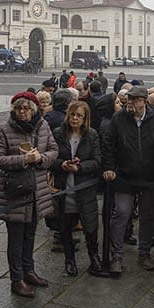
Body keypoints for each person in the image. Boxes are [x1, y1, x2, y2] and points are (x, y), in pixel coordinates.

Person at [0, 92, 58, 298]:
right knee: (16, 238)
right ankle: (16, 278)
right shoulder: (5, 129)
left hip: (37, 189)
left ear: (34, 110)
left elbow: (54, 150)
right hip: (15, 191)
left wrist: (41, 159)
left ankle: (29, 270)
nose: (22, 112)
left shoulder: (43, 126)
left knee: (30, 234)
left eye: (26, 108)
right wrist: (23, 160)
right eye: (19, 108)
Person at [103, 86, 154, 274]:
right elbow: (109, 144)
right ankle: (117, 255)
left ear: (144, 101)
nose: (130, 103)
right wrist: (109, 167)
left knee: (147, 216)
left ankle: (144, 253)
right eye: (129, 99)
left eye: (135, 99)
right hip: (125, 176)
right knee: (121, 213)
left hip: (149, 177)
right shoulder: (119, 119)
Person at [51, 101, 104, 277]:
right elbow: (52, 158)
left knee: (90, 226)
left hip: (84, 188)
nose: (75, 118)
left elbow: (97, 161)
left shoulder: (92, 135)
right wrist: (63, 164)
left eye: (79, 115)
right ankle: (69, 260)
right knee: (65, 227)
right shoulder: (59, 133)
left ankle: (94, 256)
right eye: (72, 114)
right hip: (64, 188)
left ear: (85, 118)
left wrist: (79, 167)